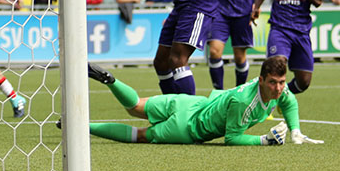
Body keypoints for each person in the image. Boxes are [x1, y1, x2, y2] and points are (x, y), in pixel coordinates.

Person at [82, 56, 322, 145]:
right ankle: (82, 128)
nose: (279, 88)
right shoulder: (244, 103)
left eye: (281, 82)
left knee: (135, 106)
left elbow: (290, 102)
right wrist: (264, 140)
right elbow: (232, 138)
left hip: (190, 103)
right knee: (139, 134)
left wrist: (296, 131)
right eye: (273, 83)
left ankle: (111, 80)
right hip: (187, 129)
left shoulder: (279, 91)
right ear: (260, 80)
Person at [252, 0, 324, 94]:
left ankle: (282, 98)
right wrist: (256, 6)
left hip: (301, 32)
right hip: (280, 29)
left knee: (303, 81)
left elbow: (318, 1)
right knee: (276, 65)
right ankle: (265, 104)